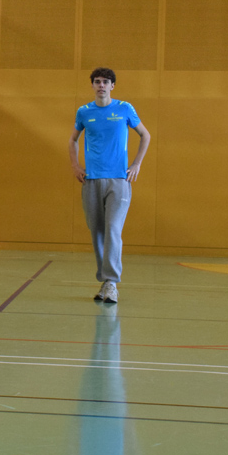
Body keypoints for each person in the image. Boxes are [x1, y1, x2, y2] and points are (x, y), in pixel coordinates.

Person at [68, 67, 151, 304]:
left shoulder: (124, 108)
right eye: (97, 82)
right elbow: (73, 139)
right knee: (97, 232)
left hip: (118, 181)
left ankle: (112, 283)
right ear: (92, 85)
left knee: (113, 228)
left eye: (106, 82)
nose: (101, 85)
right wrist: (76, 165)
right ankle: (105, 281)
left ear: (112, 85)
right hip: (92, 180)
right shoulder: (84, 111)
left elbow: (145, 135)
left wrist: (136, 164)